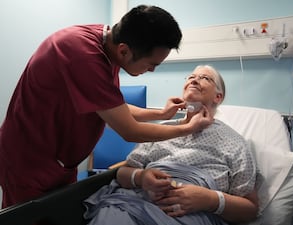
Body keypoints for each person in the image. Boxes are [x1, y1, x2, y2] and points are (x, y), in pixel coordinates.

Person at [0, 5, 213, 209]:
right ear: (124, 51)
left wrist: (161, 114)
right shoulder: (82, 54)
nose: (152, 71)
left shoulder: (106, 46)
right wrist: (187, 129)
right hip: (28, 160)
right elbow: (130, 130)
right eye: (151, 64)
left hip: (60, 162)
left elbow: (111, 107)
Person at [83, 65, 260, 225]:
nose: (194, 79)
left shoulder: (234, 142)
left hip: (190, 215)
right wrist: (141, 177)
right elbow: (122, 174)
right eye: (191, 76)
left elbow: (250, 209)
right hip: (134, 204)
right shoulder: (162, 131)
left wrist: (211, 200)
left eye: (205, 78)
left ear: (218, 97)